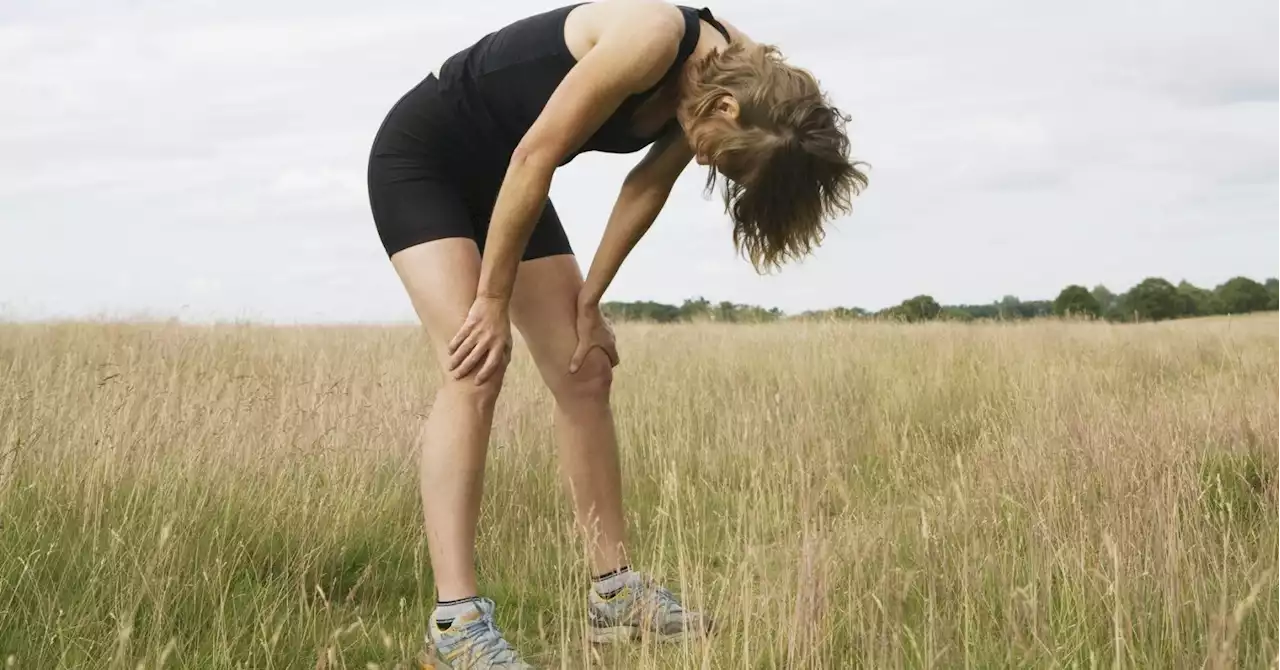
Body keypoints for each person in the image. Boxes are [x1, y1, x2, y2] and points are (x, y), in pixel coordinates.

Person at [365, 0, 867, 666]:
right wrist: (491, 297)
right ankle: (455, 624)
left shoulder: (739, 81)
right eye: (724, 161)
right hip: (426, 159)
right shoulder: (651, 36)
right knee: (477, 362)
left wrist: (590, 303)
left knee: (585, 367)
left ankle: (616, 593)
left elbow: (643, 187)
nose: (709, 166)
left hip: (509, 176)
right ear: (726, 113)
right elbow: (535, 155)